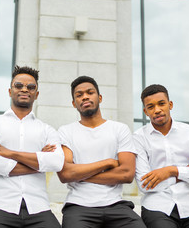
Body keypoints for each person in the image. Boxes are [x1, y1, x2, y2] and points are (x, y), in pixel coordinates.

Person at [0, 65, 64, 228]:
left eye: (30, 87)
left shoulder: (47, 129)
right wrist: (39, 162)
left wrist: (8, 153)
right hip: (0, 206)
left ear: (36, 94)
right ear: (10, 91)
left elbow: (57, 162)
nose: (24, 89)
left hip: (39, 208)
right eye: (19, 86)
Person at [57, 76, 146, 228]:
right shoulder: (66, 131)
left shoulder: (120, 129)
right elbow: (66, 174)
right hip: (79, 206)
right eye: (79, 95)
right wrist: (107, 162)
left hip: (116, 205)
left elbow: (126, 174)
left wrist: (80, 174)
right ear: (74, 103)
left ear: (99, 97)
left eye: (89, 92)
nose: (85, 96)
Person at [134, 84, 189, 228]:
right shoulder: (138, 138)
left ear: (170, 104)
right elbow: (145, 185)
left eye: (161, 104)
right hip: (156, 209)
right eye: (151, 107)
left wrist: (172, 171)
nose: (157, 110)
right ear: (145, 111)